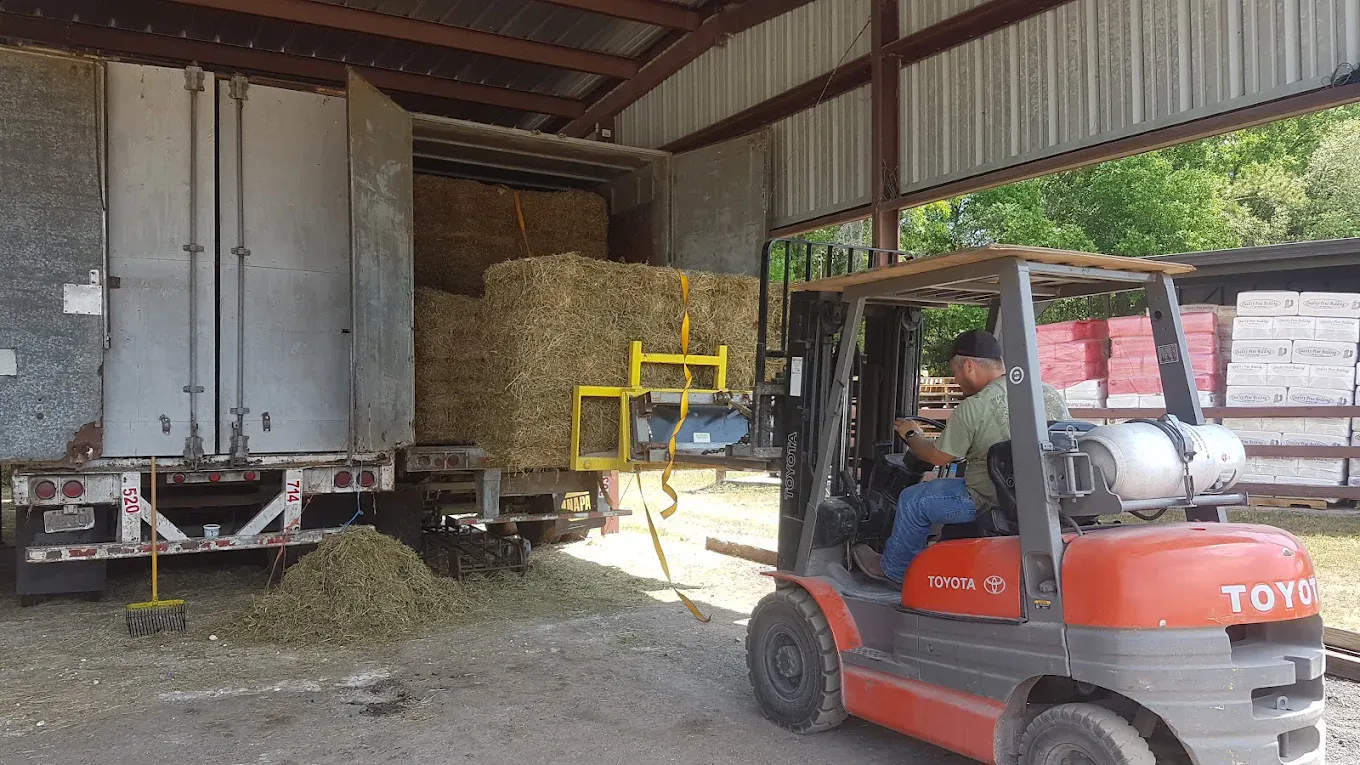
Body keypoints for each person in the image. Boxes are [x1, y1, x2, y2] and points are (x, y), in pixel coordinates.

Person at [852, 330, 1070, 584]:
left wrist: (912, 434)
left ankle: (894, 570)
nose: (956, 379)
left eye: (955, 372)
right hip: (1043, 495)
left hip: (988, 498)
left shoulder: (975, 406)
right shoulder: (1047, 393)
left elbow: (938, 457)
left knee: (913, 500)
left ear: (969, 365)